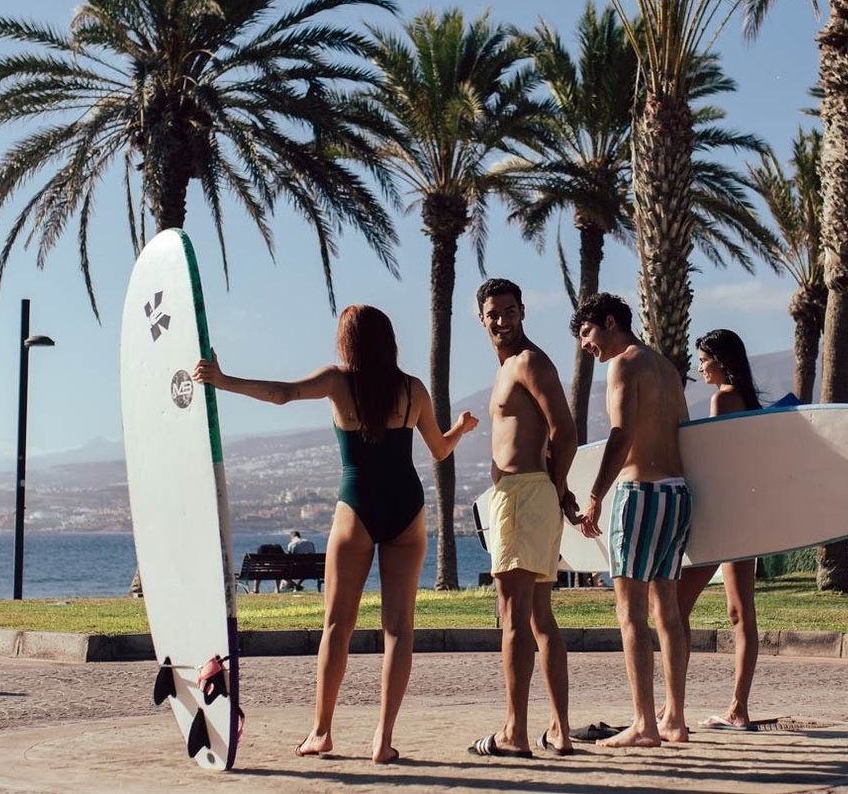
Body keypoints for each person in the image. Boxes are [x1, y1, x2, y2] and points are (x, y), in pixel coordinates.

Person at [195, 305, 477, 765]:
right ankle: (382, 740)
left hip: (358, 508)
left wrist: (224, 380)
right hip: (407, 508)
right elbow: (440, 450)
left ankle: (321, 732)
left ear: (347, 342)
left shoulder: (338, 381)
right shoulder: (413, 389)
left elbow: (283, 394)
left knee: (336, 627)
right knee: (399, 630)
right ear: (390, 342)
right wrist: (461, 430)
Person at [575, 291, 692, 748]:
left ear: (608, 322)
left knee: (630, 613)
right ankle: (675, 720)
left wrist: (596, 496)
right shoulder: (664, 366)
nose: (587, 346)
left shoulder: (622, 364)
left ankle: (645, 723)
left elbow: (620, 434)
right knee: (668, 609)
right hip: (677, 494)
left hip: (640, 494)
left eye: (587, 334)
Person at [469, 278, 579, 759]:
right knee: (539, 617)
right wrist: (559, 490)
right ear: (481, 318)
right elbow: (547, 438)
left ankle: (514, 733)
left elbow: (565, 430)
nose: (501, 320)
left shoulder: (529, 361)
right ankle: (560, 731)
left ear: (523, 311)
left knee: (513, 617)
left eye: (509, 311)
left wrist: (552, 488)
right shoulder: (508, 367)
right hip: (527, 494)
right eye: (493, 313)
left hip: (523, 495)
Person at [676, 328, 764, 731]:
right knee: (740, 613)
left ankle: (670, 707)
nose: (699, 366)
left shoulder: (723, 399)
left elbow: (714, 462)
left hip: (721, 516)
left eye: (703, 359)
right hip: (744, 514)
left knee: (676, 608)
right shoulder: (748, 402)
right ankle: (737, 709)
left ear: (721, 360)